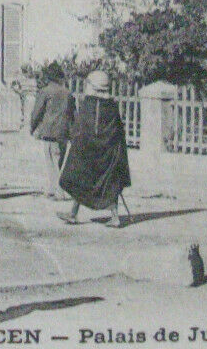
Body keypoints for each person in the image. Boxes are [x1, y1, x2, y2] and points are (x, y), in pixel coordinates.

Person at [59, 70, 132, 228]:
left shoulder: (88, 104)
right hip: (107, 151)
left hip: (89, 151)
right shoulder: (112, 106)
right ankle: (113, 217)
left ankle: (74, 214)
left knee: (80, 176)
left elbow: (81, 128)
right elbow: (118, 129)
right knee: (109, 181)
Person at [27, 64, 74, 200]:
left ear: (48, 77)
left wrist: (32, 126)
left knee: (51, 161)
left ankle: (58, 191)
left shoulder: (45, 91)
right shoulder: (68, 93)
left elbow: (37, 111)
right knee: (59, 159)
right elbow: (73, 114)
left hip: (49, 132)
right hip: (64, 132)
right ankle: (53, 188)